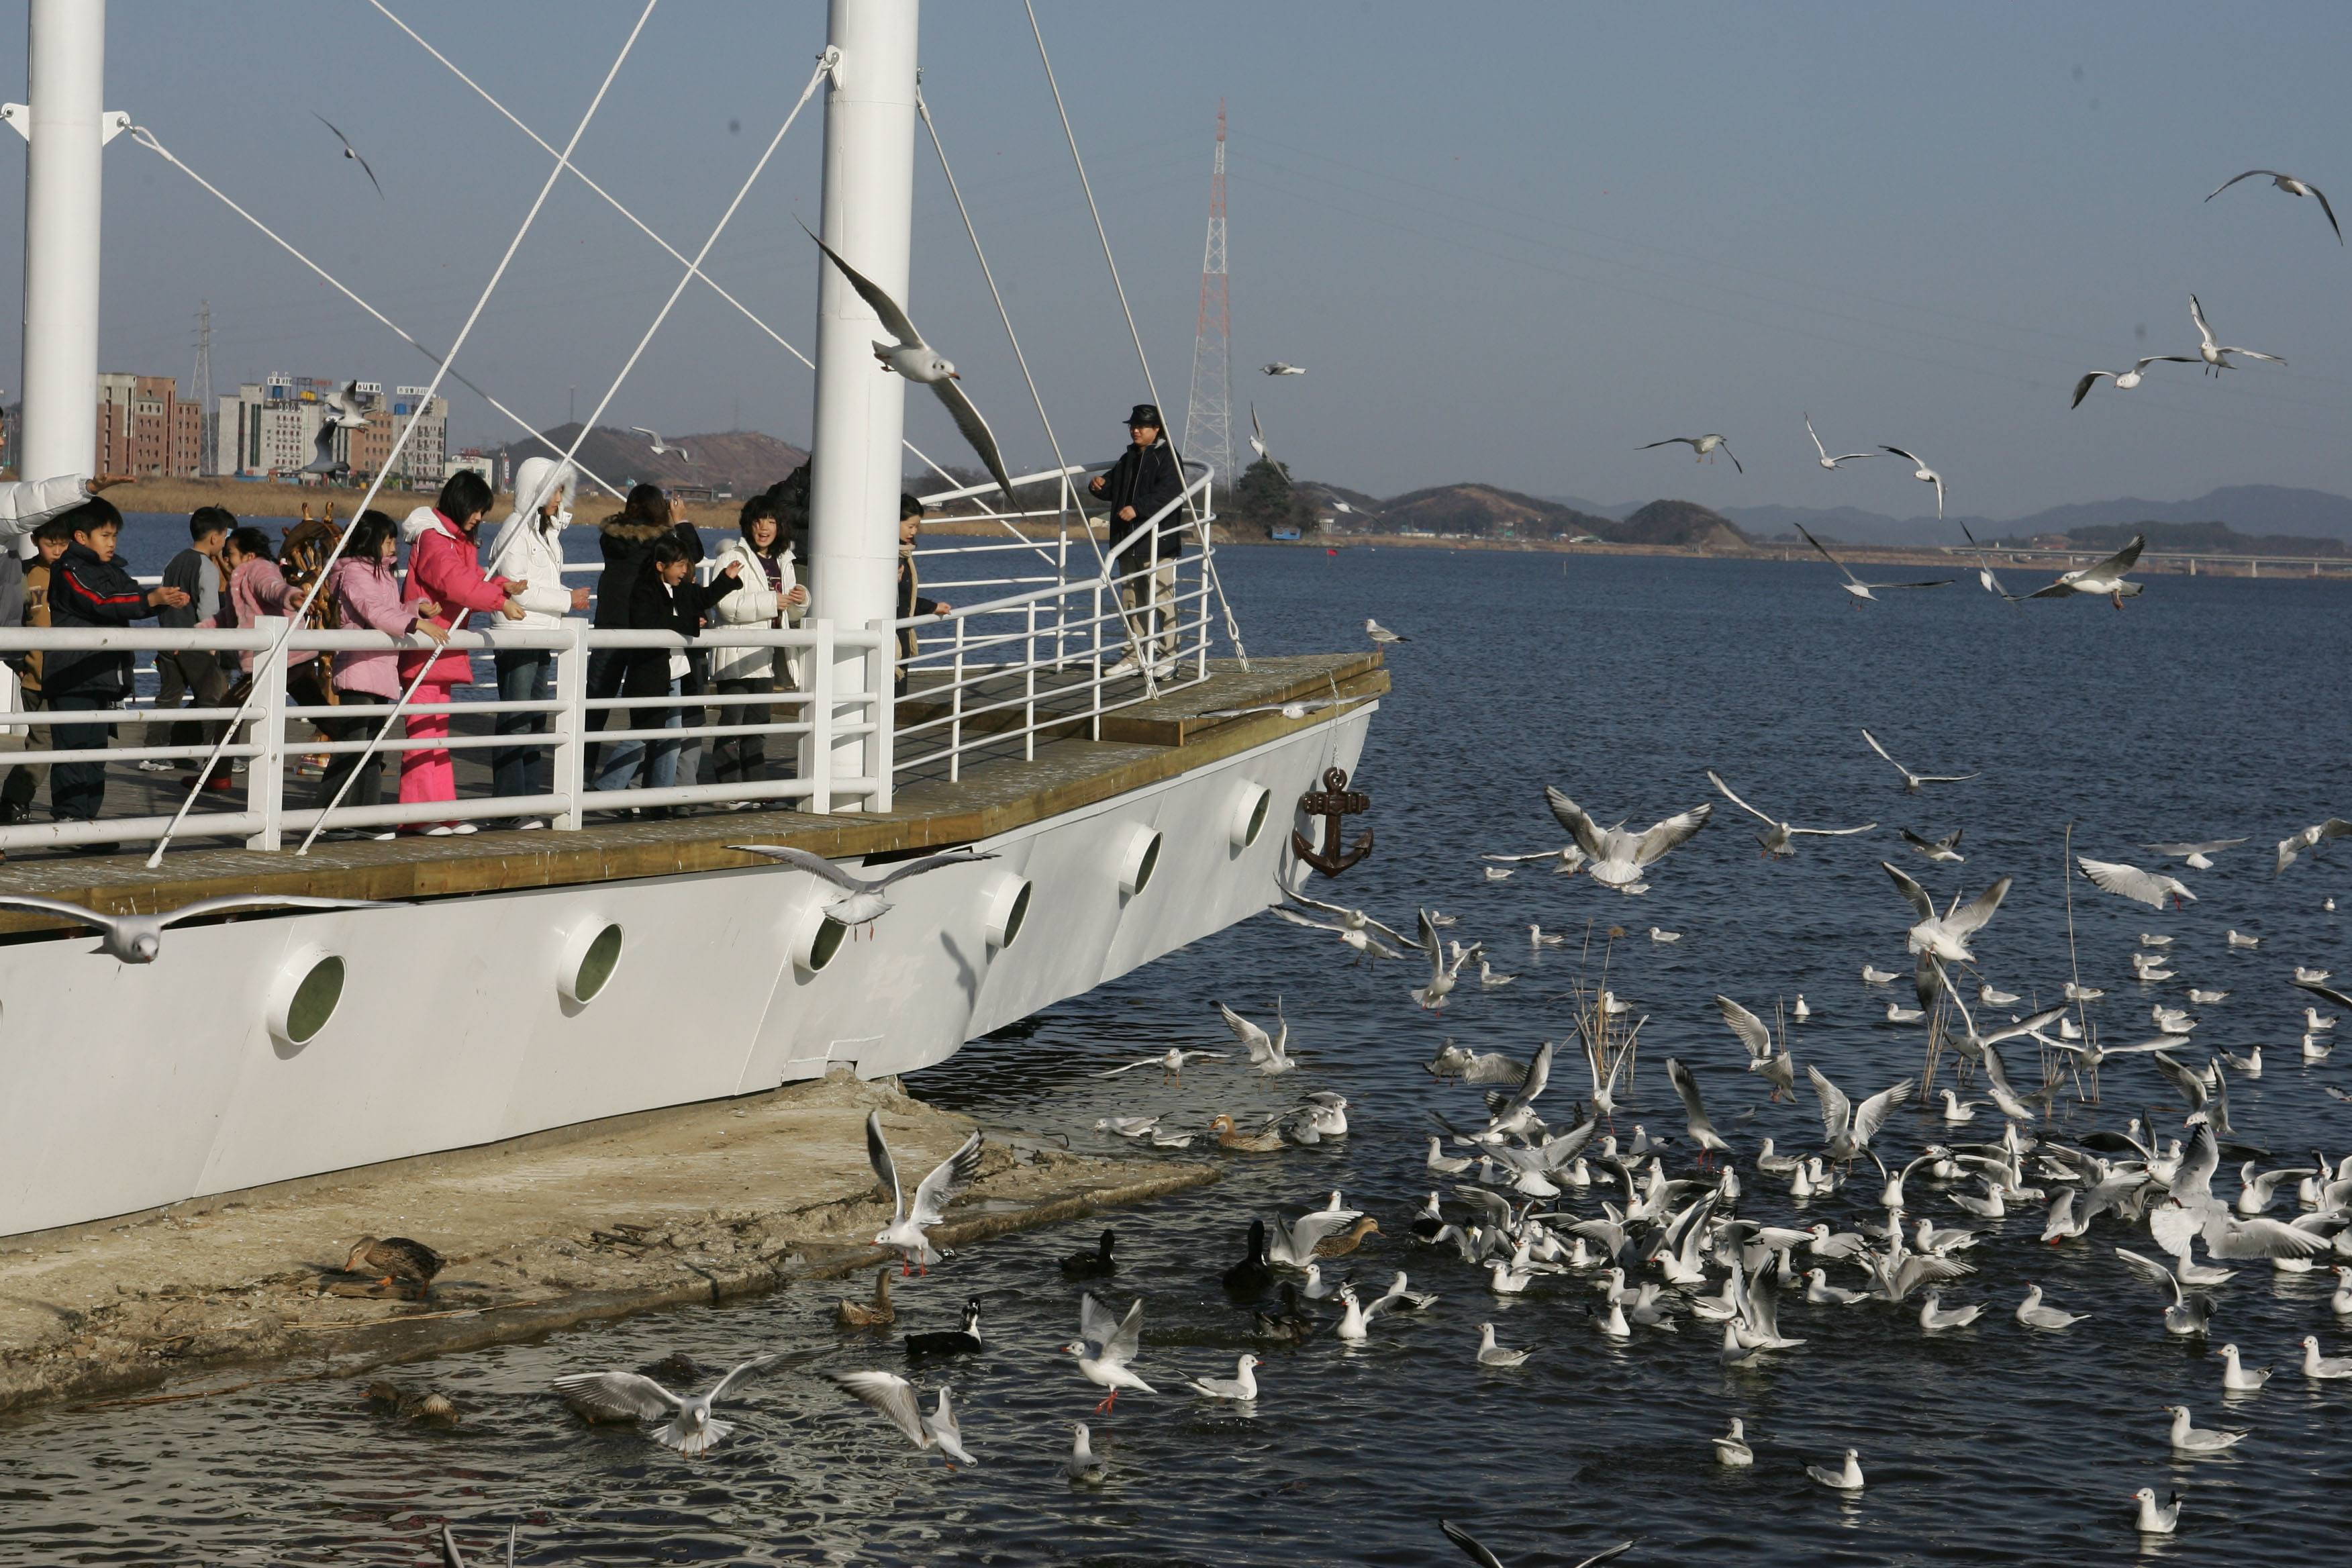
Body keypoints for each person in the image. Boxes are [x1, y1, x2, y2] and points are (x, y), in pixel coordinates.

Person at [42, 497, 191, 832]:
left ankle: (88, 822)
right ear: (81, 537)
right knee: (72, 753)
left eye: (115, 536)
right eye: (106, 536)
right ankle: (69, 821)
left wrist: (161, 597)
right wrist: (150, 600)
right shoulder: (69, 571)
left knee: (95, 756)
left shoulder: (111, 571)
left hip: (102, 677)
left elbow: (130, 597)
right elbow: (101, 603)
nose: (112, 543)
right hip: (73, 676)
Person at [400, 471, 525, 833]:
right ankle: (418, 816)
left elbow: (471, 579)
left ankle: (440, 811)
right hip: (425, 650)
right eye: (477, 510)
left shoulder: (452, 540)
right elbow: (455, 583)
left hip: (438, 650)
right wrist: (500, 601)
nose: (479, 517)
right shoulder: (434, 540)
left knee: (435, 735)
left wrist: (503, 585)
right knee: (424, 735)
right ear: (461, 502)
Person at [482, 457, 591, 827]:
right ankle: (509, 806)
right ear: (539, 490)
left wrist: (564, 601)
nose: (561, 498)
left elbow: (536, 585)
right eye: (557, 489)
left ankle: (525, 798)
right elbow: (516, 588)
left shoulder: (543, 532)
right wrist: (567, 600)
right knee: (516, 717)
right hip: (518, 635)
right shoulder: (516, 528)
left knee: (533, 719)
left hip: (541, 634)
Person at [599, 533, 742, 815]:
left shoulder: (683, 588)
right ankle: (606, 792)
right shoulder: (643, 591)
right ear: (660, 566)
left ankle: (659, 800)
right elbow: (652, 621)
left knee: (671, 740)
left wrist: (726, 577)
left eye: (686, 565)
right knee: (642, 735)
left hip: (676, 677)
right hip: (650, 676)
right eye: (678, 565)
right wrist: (689, 623)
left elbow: (705, 596)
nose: (685, 571)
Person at [323, 509, 448, 828]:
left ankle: (365, 818)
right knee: (354, 746)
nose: (393, 546)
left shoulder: (382, 573)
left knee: (371, 748)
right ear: (370, 541)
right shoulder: (354, 573)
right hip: (359, 667)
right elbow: (373, 611)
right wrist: (415, 623)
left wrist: (412, 607)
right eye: (387, 540)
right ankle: (330, 816)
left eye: (394, 540)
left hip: (377, 669)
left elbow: (386, 610)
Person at [586, 483, 703, 774]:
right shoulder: (658, 542)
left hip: (608, 625)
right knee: (650, 706)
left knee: (596, 704)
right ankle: (638, 780)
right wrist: (681, 520)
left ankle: (581, 772)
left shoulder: (609, 539)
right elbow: (693, 556)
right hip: (644, 625)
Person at [707, 491, 806, 798]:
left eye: (771, 521)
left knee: (759, 725)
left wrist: (801, 601)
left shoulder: (783, 560)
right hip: (737, 653)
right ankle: (729, 792)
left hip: (767, 655)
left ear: (780, 526)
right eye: (758, 521)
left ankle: (758, 789)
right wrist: (771, 602)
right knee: (732, 725)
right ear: (747, 525)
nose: (764, 528)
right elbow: (724, 605)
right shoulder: (731, 557)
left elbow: (789, 610)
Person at [1088, 403, 1185, 677]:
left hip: (1157, 541)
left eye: (1141, 426)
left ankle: (1170, 658)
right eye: (1132, 426)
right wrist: (1098, 485)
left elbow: (1170, 492)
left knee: (1162, 600)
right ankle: (1133, 656)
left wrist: (1138, 509)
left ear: (1157, 429)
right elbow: (1113, 488)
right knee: (1131, 601)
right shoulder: (1128, 457)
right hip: (1126, 541)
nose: (1135, 431)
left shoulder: (1167, 458)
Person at [0, 517, 79, 828]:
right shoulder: (24, 574)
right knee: (42, 743)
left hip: (71, 675)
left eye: (64, 544)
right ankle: (14, 800)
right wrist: (18, 664)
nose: (58, 550)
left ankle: (71, 808)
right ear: (35, 541)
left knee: (72, 744)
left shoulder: (76, 574)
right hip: (35, 677)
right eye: (51, 543)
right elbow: (10, 622)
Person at [149, 507, 234, 787]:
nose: (225, 543)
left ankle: (156, 752)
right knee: (214, 698)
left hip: (168, 639)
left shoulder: (175, 561)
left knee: (169, 698)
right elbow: (209, 610)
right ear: (214, 538)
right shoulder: (207, 567)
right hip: (195, 643)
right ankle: (215, 756)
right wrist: (212, 647)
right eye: (224, 536)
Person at [893, 494, 951, 695]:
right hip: (891, 641)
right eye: (910, 526)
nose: (914, 531)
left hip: (900, 638)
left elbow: (905, 600)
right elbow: (896, 601)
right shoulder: (891, 556)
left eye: (917, 526)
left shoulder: (904, 554)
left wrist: (932, 607)